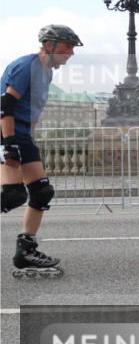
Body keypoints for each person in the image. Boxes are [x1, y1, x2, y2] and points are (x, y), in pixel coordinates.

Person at [1, 25, 84, 279]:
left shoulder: (46, 73)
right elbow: (5, 107)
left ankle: (25, 251)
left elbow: (32, 109)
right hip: (7, 131)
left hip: (23, 135)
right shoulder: (26, 66)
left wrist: (27, 139)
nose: (70, 53)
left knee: (42, 191)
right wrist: (10, 143)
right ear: (49, 45)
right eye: (66, 47)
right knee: (13, 195)